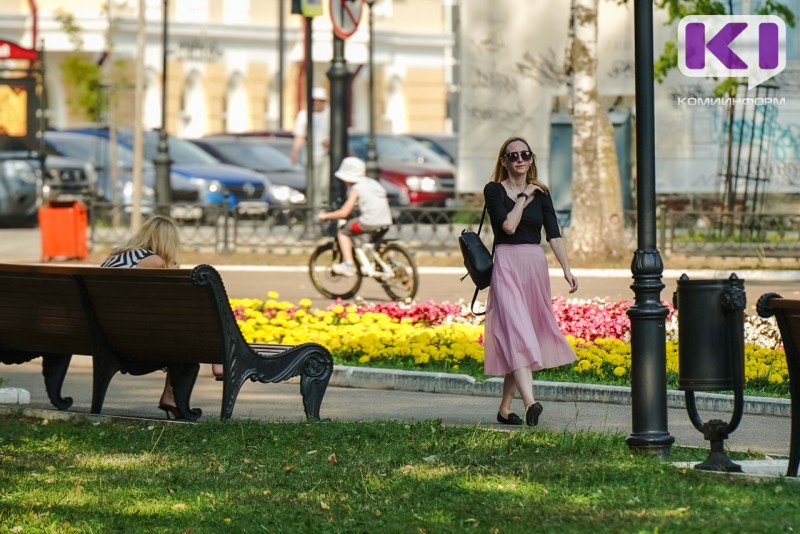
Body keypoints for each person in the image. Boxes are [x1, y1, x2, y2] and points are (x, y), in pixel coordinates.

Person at [483, 136, 579, 427]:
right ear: (504, 162)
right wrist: (524, 196)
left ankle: (504, 409)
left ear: (532, 158)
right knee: (518, 332)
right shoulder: (494, 190)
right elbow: (509, 226)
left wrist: (566, 268)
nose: (520, 159)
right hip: (507, 264)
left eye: (525, 154)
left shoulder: (542, 192)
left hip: (535, 266)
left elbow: (554, 234)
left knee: (524, 334)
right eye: (513, 156)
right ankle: (530, 403)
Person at [100, 215, 190, 419]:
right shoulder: (154, 261)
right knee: (185, 342)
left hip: (106, 333)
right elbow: (168, 301)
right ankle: (171, 396)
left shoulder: (114, 256)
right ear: (167, 241)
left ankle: (170, 395)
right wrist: (173, 271)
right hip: (133, 337)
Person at [318, 156, 393, 276]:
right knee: (374, 244)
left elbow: (344, 212)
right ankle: (382, 262)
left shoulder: (356, 189)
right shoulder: (373, 183)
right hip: (386, 220)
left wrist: (326, 216)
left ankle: (348, 264)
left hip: (369, 222)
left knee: (343, 232)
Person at [291, 86, 331, 209]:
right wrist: (295, 152)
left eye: (320, 100)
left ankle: (324, 209)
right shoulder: (304, 114)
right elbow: (300, 135)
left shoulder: (330, 113)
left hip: (326, 155)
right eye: (315, 100)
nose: (317, 103)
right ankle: (315, 211)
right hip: (311, 155)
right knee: (313, 185)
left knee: (325, 184)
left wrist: (330, 141)